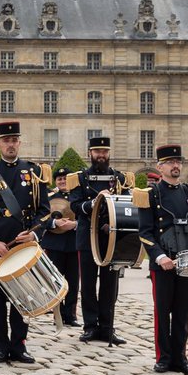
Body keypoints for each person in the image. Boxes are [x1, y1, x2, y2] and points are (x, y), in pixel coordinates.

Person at [0, 120, 53, 365]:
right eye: (6, 141)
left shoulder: (34, 172)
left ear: (19, 142)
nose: (10, 145)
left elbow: (45, 211)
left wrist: (35, 233)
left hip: (23, 245)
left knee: (23, 298)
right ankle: (0, 346)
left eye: (14, 140)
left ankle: (19, 345)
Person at [134, 144, 188, 375]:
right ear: (160, 166)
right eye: (170, 162)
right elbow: (145, 232)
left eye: (178, 162)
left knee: (183, 313)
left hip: (187, 261)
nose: (176, 166)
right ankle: (163, 358)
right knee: (163, 312)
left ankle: (180, 358)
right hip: (163, 261)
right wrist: (160, 256)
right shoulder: (150, 195)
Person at [67, 136, 133, 344]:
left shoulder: (120, 178)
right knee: (87, 283)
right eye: (97, 152)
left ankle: (107, 327)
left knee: (109, 285)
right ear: (90, 154)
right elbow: (75, 206)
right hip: (87, 236)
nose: (101, 156)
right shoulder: (79, 178)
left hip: (111, 237)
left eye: (104, 152)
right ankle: (89, 326)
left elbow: (128, 203)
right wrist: (95, 202)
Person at [41, 167, 80, 327]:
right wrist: (53, 223)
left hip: (73, 244)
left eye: (65, 179)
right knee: (54, 281)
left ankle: (70, 315)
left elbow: (85, 218)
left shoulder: (77, 198)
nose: (63, 182)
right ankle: (56, 313)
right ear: (55, 181)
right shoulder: (49, 197)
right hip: (54, 244)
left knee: (73, 282)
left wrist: (75, 224)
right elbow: (42, 219)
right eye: (59, 179)